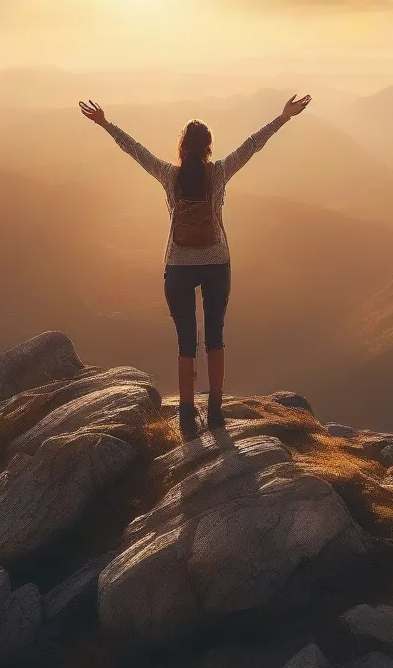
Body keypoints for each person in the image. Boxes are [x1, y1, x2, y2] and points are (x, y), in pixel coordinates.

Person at [78, 94, 312, 439]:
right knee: (215, 338)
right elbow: (252, 145)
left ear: (182, 147)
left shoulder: (169, 176)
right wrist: (283, 117)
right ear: (208, 148)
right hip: (218, 263)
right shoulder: (218, 173)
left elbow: (135, 150)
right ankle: (216, 412)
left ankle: (187, 413)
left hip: (179, 266)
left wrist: (105, 124)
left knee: (185, 342)